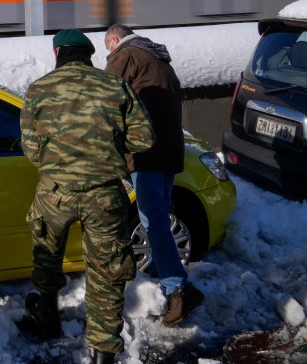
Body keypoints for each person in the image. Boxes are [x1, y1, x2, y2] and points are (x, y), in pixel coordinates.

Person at [18, 29, 154, 364]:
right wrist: (107, 154)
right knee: (106, 272)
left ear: (57, 54)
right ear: (89, 54)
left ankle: (47, 319)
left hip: (54, 193)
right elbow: (144, 138)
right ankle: (102, 353)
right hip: (104, 194)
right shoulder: (114, 86)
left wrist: (57, 165)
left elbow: (31, 148)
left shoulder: (39, 90)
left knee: (47, 255)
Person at [103, 23, 202, 326]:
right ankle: (162, 275)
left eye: (108, 49)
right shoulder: (157, 58)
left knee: (152, 219)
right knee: (158, 215)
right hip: (170, 149)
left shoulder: (126, 55)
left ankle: (178, 289)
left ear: (116, 40)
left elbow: (104, 96)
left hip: (145, 151)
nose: (110, 55)